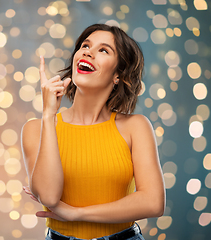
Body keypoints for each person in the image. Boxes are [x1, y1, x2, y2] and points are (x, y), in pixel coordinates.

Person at [21, 23, 165, 240]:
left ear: (118, 74)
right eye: (85, 46)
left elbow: (153, 203)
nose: (88, 51)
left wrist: (77, 214)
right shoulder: (36, 128)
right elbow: (50, 197)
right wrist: (49, 114)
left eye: (103, 50)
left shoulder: (136, 127)